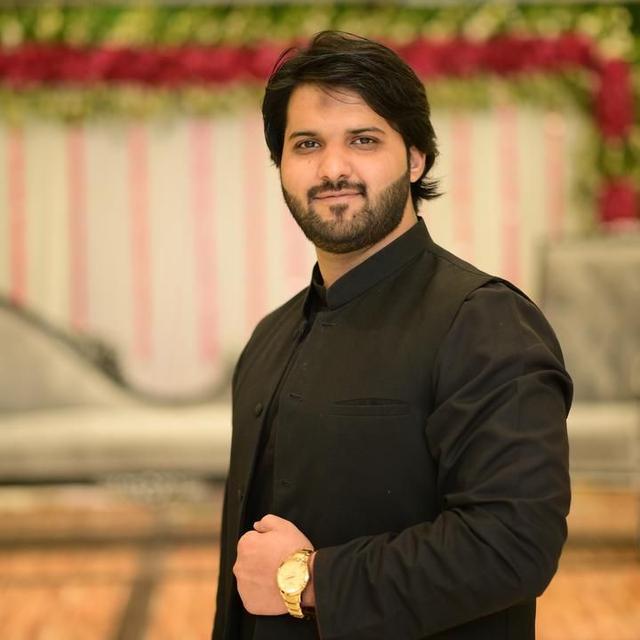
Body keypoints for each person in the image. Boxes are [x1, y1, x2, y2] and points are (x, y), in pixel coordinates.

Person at [212, 31, 572, 640]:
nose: (332, 168)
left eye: (364, 139)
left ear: (415, 158)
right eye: (307, 144)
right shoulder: (268, 339)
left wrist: (310, 579)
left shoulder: (484, 323)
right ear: (281, 165)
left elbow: (514, 544)